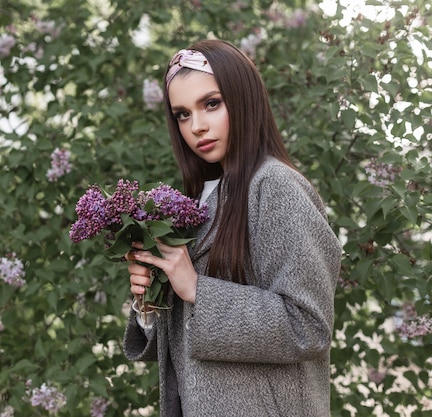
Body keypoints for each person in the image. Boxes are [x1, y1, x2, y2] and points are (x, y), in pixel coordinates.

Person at [123, 39, 342, 417]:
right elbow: (186, 342)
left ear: (244, 99)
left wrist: (196, 288)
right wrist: (149, 298)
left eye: (211, 103)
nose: (198, 126)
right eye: (182, 114)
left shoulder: (275, 186)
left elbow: (308, 326)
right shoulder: (202, 201)